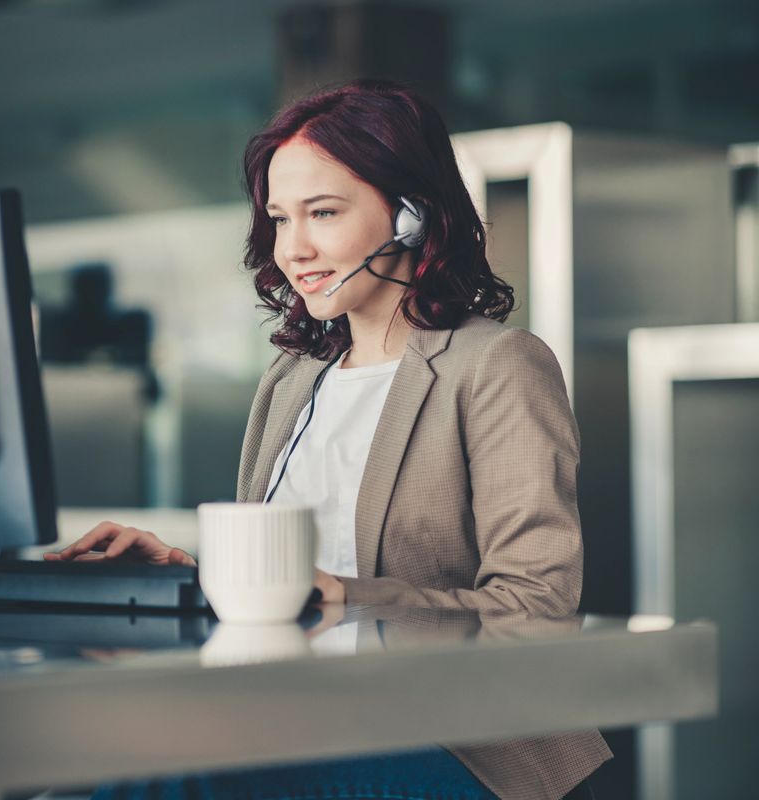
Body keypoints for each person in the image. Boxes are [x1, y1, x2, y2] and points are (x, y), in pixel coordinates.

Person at [47, 79, 612, 800]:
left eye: (323, 212)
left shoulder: (498, 366)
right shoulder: (291, 380)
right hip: (301, 716)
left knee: (160, 780)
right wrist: (187, 574)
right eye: (280, 219)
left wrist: (345, 595)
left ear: (413, 216)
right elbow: (298, 593)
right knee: (88, 768)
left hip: (458, 739)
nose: (294, 248)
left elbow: (536, 607)